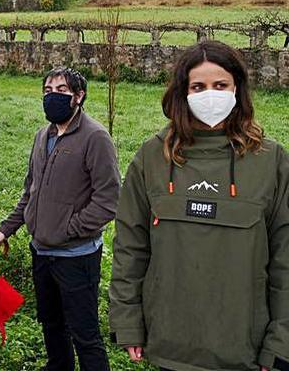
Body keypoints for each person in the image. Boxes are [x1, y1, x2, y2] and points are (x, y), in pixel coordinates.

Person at [109, 41, 289, 371]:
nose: (210, 95)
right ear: (183, 92)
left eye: (220, 85)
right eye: (198, 86)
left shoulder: (271, 161)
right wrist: (128, 322)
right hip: (171, 347)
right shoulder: (152, 157)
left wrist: (282, 342)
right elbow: (130, 249)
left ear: (238, 89)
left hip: (243, 351)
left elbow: (285, 260)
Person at [0, 67, 119, 371]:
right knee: (51, 325)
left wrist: (69, 230)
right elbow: (30, 191)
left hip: (76, 257)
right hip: (42, 253)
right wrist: (5, 230)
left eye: (61, 91)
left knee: (85, 335)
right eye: (48, 90)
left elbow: (108, 200)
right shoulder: (41, 136)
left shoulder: (95, 137)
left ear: (79, 96)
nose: (52, 96)